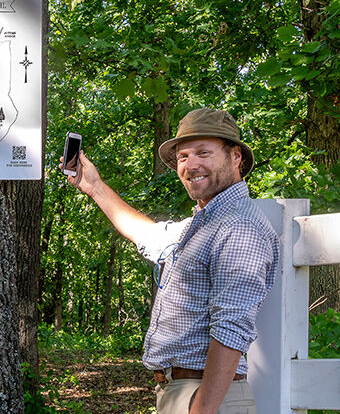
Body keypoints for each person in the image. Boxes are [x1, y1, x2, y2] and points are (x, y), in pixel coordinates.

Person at [60, 108, 280, 414]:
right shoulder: (200, 225)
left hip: (208, 398)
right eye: (183, 156)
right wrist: (94, 186)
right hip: (185, 394)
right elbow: (147, 235)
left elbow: (231, 328)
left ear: (236, 158)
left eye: (204, 152)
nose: (191, 165)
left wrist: (202, 409)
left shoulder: (239, 225)